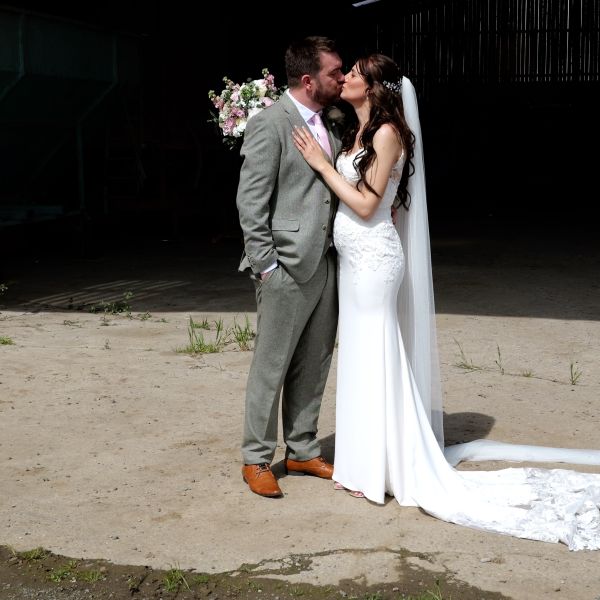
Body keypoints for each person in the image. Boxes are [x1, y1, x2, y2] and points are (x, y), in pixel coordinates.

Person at [293, 53, 600, 549]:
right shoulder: (358, 132)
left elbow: (369, 205)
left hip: (373, 262)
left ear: (373, 87)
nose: (344, 77)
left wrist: (321, 166)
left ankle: (380, 469)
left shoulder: (388, 133)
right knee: (362, 358)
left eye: (353, 73)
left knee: (376, 355)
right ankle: (368, 463)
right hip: (356, 260)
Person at [235, 36, 345, 497]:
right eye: (335, 72)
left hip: (326, 263)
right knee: (272, 364)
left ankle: (301, 448)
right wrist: (266, 266)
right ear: (308, 79)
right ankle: (256, 458)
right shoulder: (270, 124)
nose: (342, 79)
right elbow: (250, 201)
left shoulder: (333, 124)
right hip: (283, 265)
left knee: (315, 361)